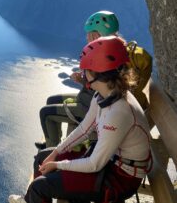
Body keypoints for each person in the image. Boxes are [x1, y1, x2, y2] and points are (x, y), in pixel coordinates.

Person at [9, 36, 152, 203]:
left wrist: (57, 165)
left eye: (86, 70)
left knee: (39, 187)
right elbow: (85, 128)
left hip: (120, 178)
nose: (83, 74)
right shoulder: (105, 94)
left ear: (97, 73)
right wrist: (56, 153)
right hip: (110, 161)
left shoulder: (118, 111)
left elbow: (94, 165)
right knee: (43, 158)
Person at [36, 10, 152, 149]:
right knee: (51, 100)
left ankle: (51, 149)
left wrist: (83, 81)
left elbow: (104, 88)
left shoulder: (106, 54)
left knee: (45, 113)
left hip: (96, 106)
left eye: (88, 34)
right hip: (97, 101)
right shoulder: (119, 49)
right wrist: (83, 80)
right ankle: (54, 141)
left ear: (97, 34)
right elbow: (108, 84)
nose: (86, 38)